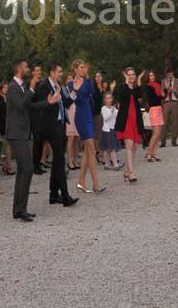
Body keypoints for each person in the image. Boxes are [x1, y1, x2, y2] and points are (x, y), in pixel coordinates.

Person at [6, 59, 53, 221]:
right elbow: (20, 106)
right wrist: (32, 88)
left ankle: (19, 209)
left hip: (22, 133)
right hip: (16, 133)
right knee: (27, 167)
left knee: (23, 170)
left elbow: (30, 106)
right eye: (26, 67)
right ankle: (20, 208)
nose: (28, 69)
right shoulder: (12, 87)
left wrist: (48, 102)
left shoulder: (22, 87)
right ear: (19, 69)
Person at [34, 63, 78, 207]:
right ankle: (65, 196)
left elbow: (66, 103)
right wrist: (52, 98)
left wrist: (74, 91)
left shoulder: (58, 86)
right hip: (50, 126)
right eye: (59, 71)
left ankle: (54, 195)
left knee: (58, 160)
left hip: (60, 125)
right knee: (59, 159)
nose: (61, 74)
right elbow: (41, 106)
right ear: (52, 72)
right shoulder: (44, 86)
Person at [69, 59, 105, 194]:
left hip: (89, 115)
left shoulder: (88, 82)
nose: (84, 69)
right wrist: (76, 89)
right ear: (76, 69)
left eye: (85, 67)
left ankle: (81, 182)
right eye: (81, 67)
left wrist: (87, 78)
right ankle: (96, 184)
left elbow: (93, 94)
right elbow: (72, 99)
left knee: (88, 152)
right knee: (91, 148)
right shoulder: (70, 83)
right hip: (80, 117)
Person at [115, 67, 144, 183]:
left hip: (135, 120)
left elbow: (138, 94)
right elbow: (123, 95)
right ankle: (131, 173)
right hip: (126, 120)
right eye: (129, 75)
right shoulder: (123, 87)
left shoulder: (136, 89)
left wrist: (140, 81)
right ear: (126, 76)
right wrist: (127, 83)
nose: (131, 76)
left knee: (135, 146)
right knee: (129, 145)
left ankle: (127, 171)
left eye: (133, 74)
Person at [141, 70, 163, 162]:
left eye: (153, 75)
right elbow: (152, 101)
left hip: (159, 109)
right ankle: (149, 154)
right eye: (150, 76)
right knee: (156, 133)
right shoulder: (148, 87)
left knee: (158, 134)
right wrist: (160, 95)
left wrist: (162, 95)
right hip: (153, 110)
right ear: (148, 77)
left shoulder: (158, 85)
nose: (152, 77)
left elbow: (161, 97)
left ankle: (153, 153)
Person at [160, 68, 178, 147]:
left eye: (170, 73)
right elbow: (161, 94)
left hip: (175, 102)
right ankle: (163, 141)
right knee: (164, 123)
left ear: (173, 73)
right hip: (166, 103)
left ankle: (174, 141)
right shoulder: (163, 81)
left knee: (175, 122)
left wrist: (175, 91)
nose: (169, 74)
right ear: (166, 74)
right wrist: (165, 92)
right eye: (168, 73)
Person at [99, 92, 120, 170]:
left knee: (108, 149)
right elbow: (106, 118)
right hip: (106, 131)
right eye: (107, 98)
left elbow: (117, 115)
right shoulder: (103, 108)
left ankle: (107, 164)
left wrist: (117, 109)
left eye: (110, 98)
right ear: (104, 100)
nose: (109, 100)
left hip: (113, 130)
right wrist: (111, 111)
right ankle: (115, 164)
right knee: (111, 148)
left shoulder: (114, 108)